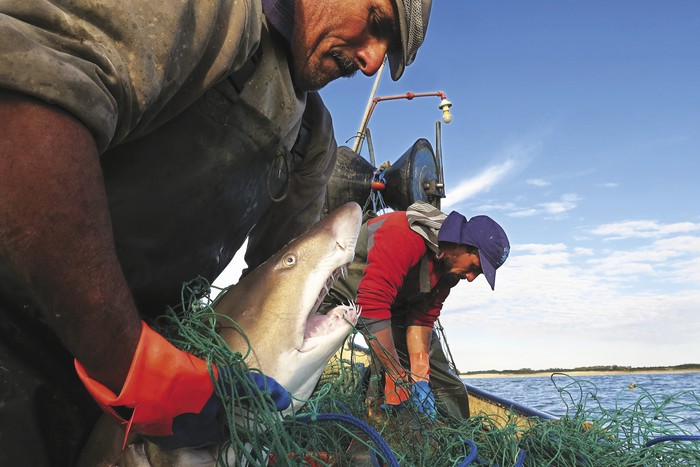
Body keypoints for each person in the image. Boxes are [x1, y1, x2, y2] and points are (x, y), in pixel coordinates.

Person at [0, 0, 433, 464]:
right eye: (376, 22)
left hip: (152, 362)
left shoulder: (313, 137)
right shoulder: (207, 13)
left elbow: (270, 290)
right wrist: (129, 362)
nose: (371, 63)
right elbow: (26, 101)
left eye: (385, 53)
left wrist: (263, 441)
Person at [325, 201, 510, 421]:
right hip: (341, 295)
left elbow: (422, 319)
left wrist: (420, 379)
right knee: (388, 377)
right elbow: (372, 307)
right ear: (464, 245)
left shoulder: (452, 270)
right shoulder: (403, 234)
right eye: (475, 268)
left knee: (447, 387)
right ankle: (373, 424)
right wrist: (397, 374)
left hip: (392, 306)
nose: (470, 278)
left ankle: (455, 440)